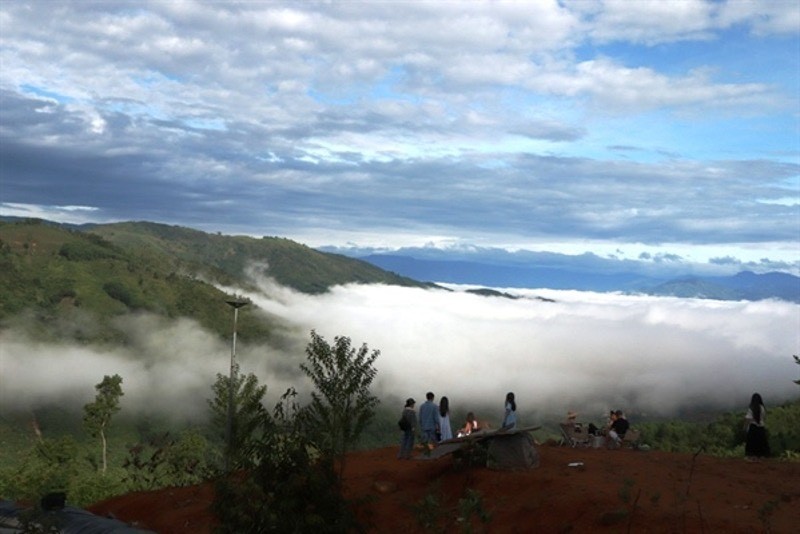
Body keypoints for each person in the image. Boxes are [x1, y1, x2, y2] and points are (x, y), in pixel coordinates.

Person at [744, 393, 770, 460]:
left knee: (752, 442)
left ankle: (752, 456)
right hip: (761, 427)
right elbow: (763, 417)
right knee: (761, 442)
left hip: (753, 427)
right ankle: (762, 456)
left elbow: (748, 419)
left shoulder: (751, 407)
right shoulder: (762, 408)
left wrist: (745, 427)